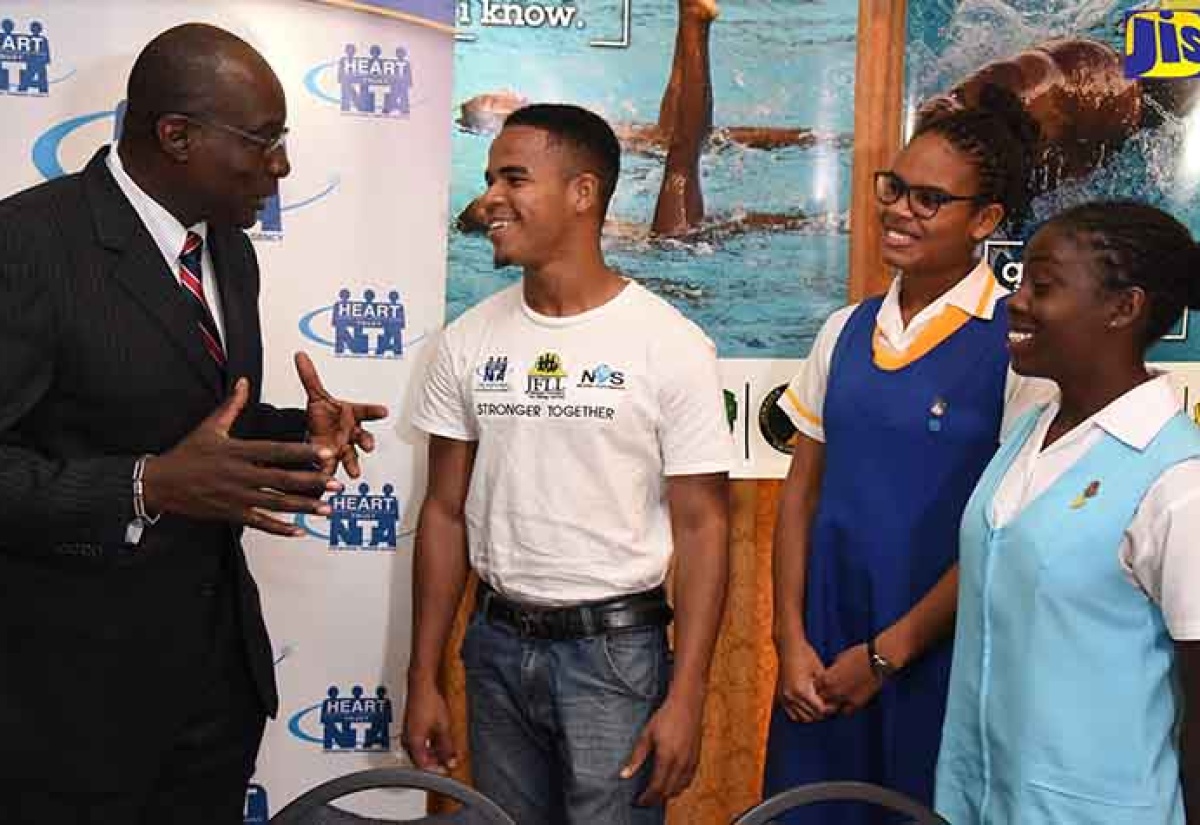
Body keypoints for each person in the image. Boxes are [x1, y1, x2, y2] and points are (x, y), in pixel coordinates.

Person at [0, 24, 386, 825]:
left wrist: (298, 433)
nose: (281, 165)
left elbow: (197, 429)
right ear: (175, 135)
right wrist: (142, 486)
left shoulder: (229, 250)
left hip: (213, 694)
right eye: (264, 140)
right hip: (67, 713)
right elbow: (155, 466)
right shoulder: (28, 246)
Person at [403, 102, 731, 825]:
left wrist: (688, 693)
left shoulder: (669, 344)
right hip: (494, 650)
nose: (490, 198)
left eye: (513, 178)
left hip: (617, 658)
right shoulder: (465, 341)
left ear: (583, 193)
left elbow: (705, 527)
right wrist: (423, 673)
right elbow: (444, 510)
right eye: (490, 178)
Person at [762, 85, 1049, 822]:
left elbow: (1004, 529)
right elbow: (801, 495)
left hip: (939, 662)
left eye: (928, 199)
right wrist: (789, 639)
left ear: (985, 219)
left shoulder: (1016, 348)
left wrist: (889, 653)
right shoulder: (844, 330)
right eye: (894, 187)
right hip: (820, 659)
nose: (898, 210)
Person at [936, 201, 1200, 824]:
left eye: (1043, 286)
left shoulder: (1177, 478)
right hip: (978, 801)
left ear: (1123, 307)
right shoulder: (1031, 432)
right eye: (1020, 281)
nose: (1017, 301)